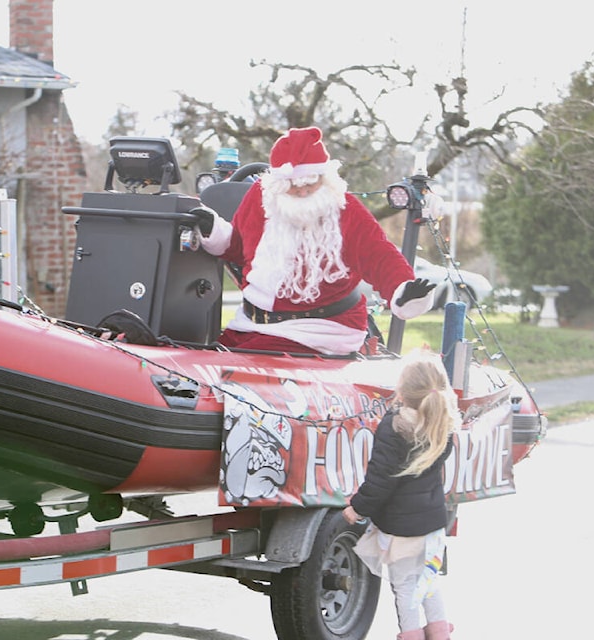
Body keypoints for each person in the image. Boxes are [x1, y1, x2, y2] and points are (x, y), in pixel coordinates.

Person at [193, 126, 434, 355]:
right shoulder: (261, 199)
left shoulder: (345, 210)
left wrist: (402, 289)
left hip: (318, 332)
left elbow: (379, 255)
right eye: (293, 185)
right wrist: (215, 232)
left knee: (230, 377)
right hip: (251, 325)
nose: (303, 191)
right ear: (277, 183)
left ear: (325, 177)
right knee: (198, 363)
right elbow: (240, 248)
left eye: (310, 183)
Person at [342, 352, 458, 640]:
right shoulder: (443, 423)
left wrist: (357, 508)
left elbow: (381, 479)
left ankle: (411, 634)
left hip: (402, 528)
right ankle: (440, 635)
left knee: (405, 586)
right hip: (432, 523)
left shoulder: (394, 426)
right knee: (428, 582)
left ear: (402, 391)